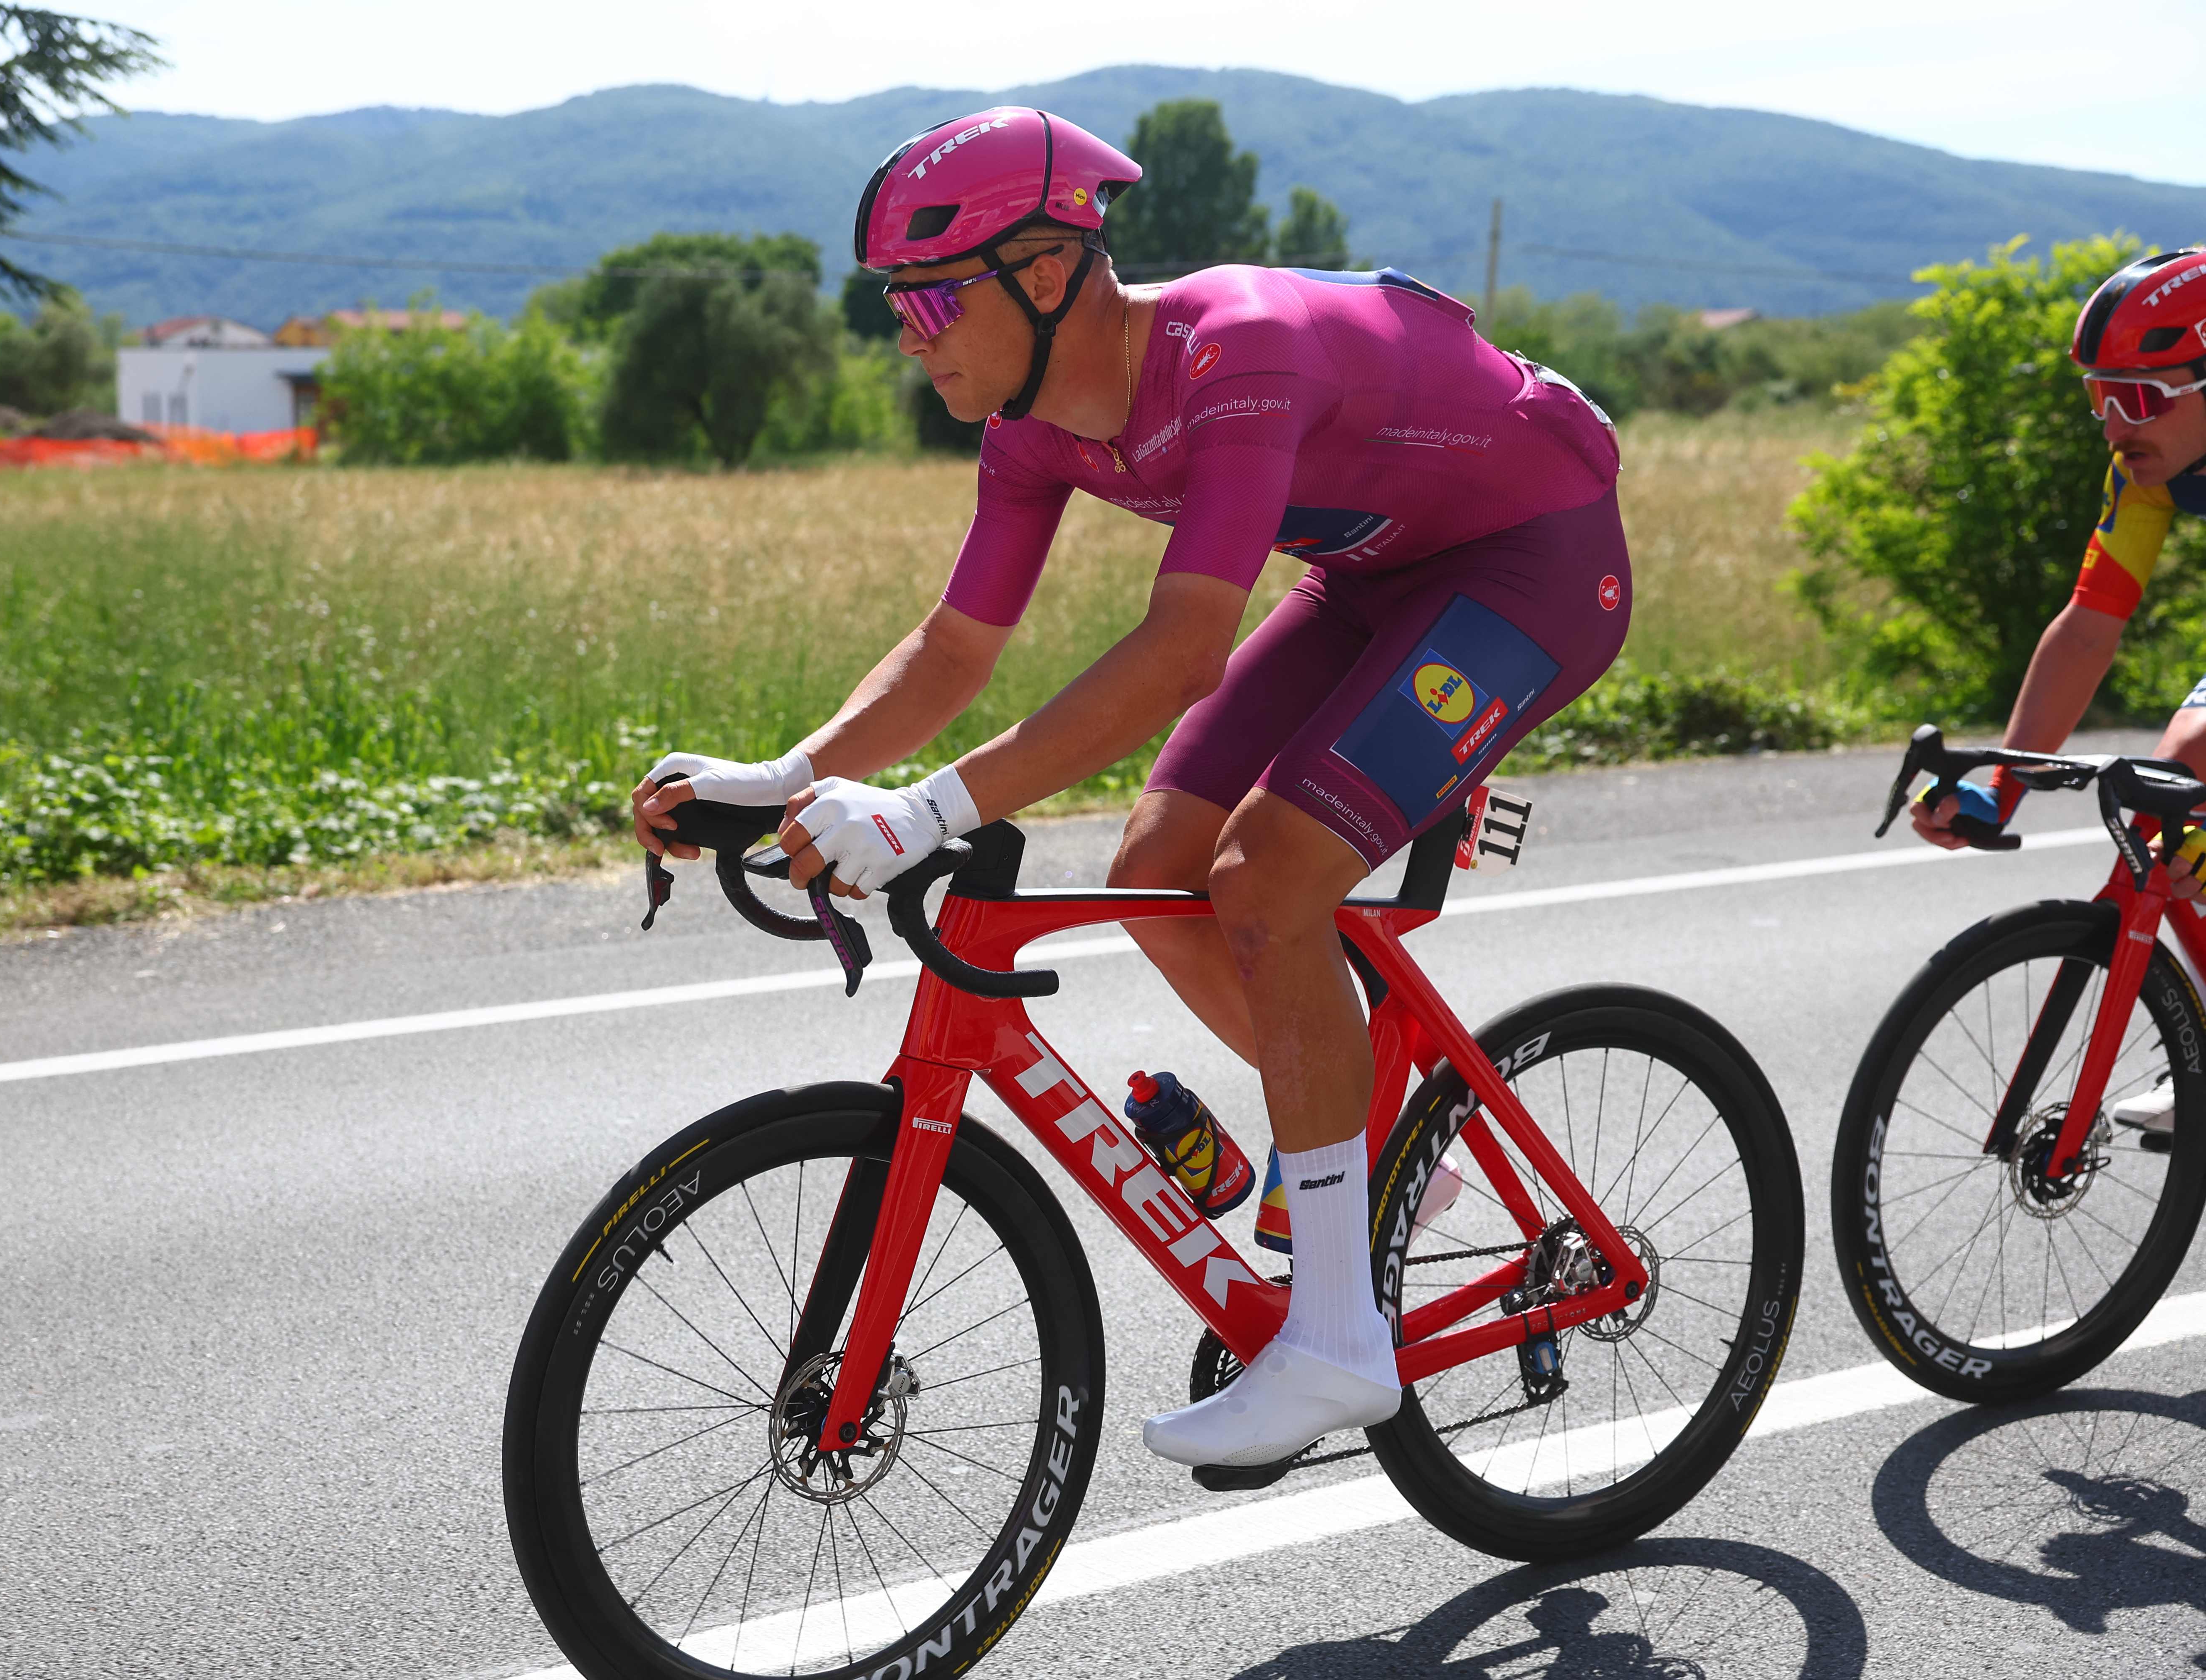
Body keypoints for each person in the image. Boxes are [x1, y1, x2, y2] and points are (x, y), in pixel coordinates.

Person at [632, 107, 1628, 1470]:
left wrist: (925, 814)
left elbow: (1181, 649)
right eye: (892, 305)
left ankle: (1339, 1339)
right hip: (1376, 575)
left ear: (1047, 273)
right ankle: (1372, 1145)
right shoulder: (1033, 432)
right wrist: (790, 777)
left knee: (1268, 880)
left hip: (1532, 561)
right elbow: (953, 650)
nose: (907, 333)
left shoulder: (1239, 351)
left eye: (930, 298)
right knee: (1156, 869)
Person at [1912, 246, 2206, 1140]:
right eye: (2098, 396)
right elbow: (2088, 625)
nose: (2115, 425)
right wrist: (2004, 774)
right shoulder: (2146, 473)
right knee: (2178, 796)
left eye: (2140, 397)